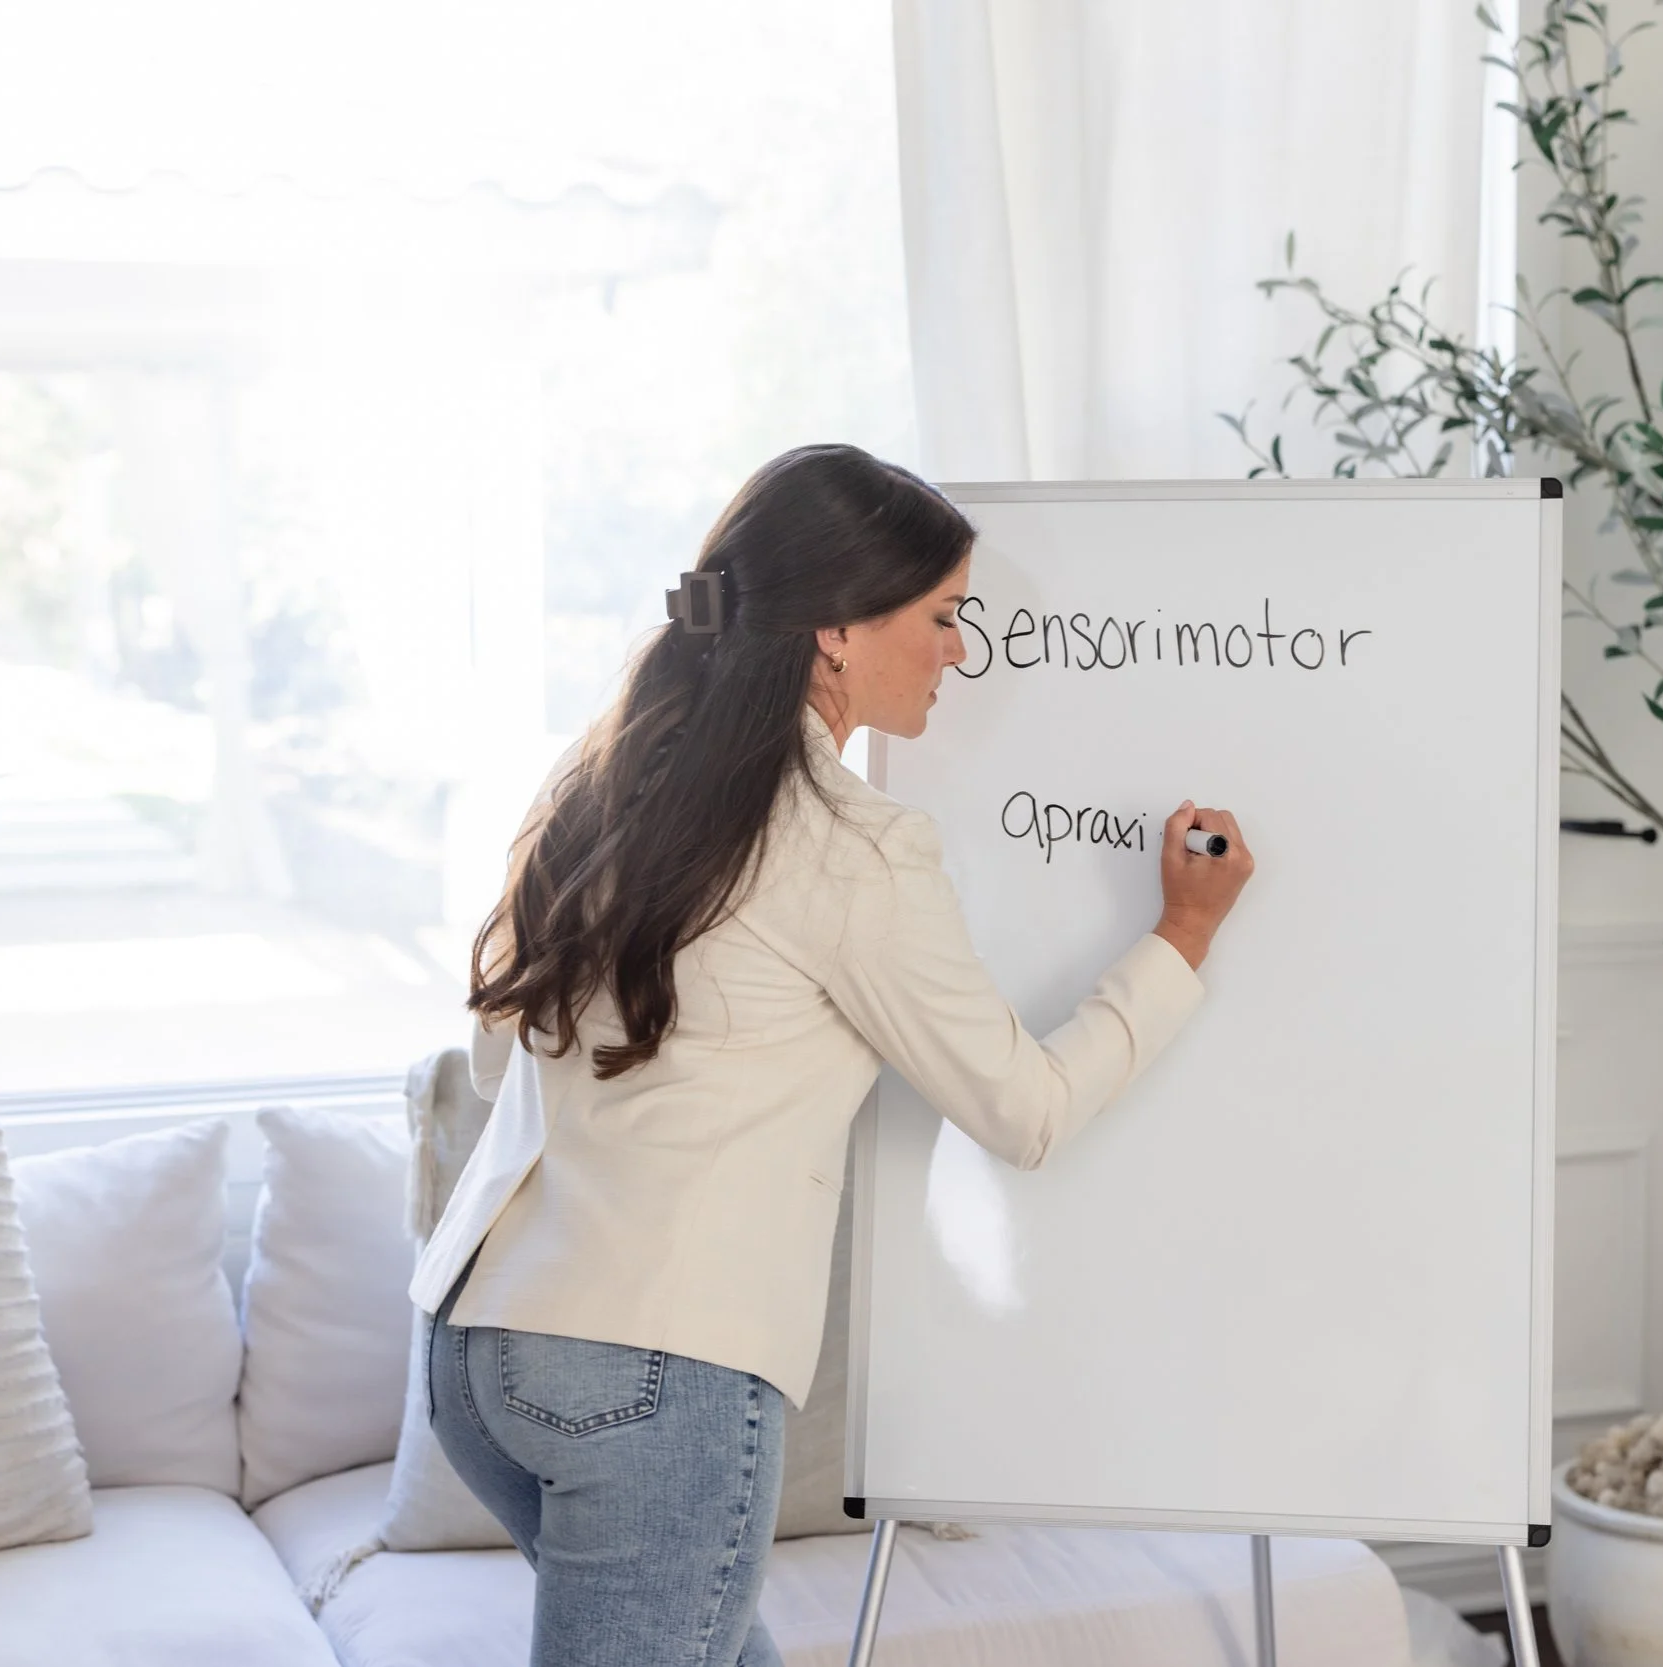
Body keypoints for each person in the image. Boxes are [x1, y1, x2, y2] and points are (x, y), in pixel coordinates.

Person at [411, 443, 1254, 1667]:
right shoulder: (854, 851)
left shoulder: (599, 780)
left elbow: (501, 1061)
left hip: (477, 1347)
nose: (960, 651)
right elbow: (1027, 1109)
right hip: (654, 1386)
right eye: (943, 617)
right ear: (837, 634)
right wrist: (1182, 934)